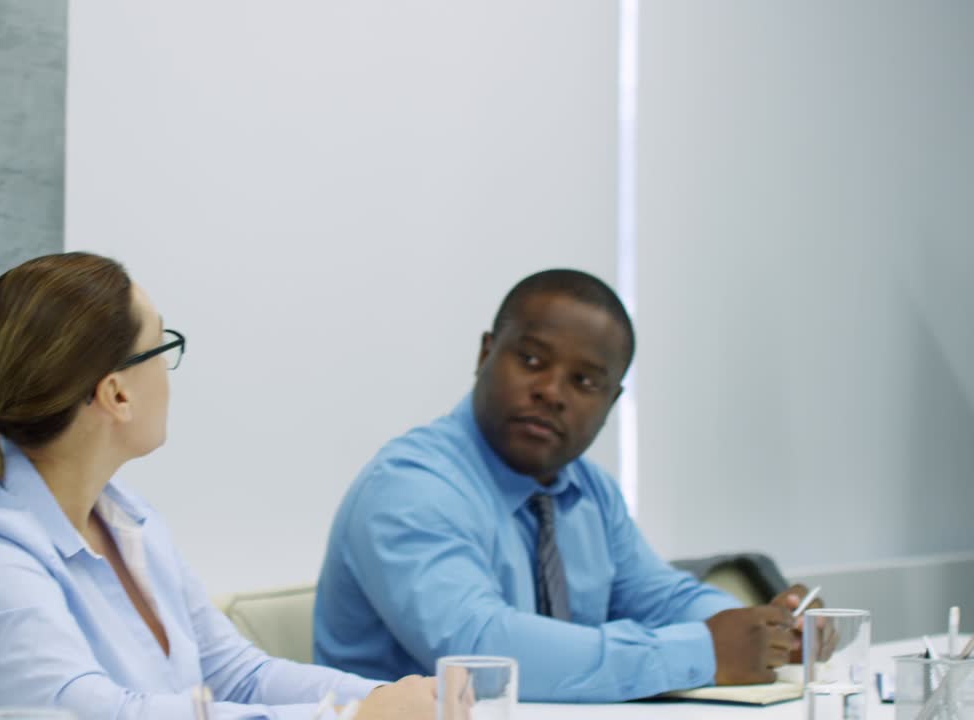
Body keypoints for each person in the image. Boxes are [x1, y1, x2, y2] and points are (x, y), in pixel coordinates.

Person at [0, 252, 435, 720]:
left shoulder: (127, 520)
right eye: (163, 349)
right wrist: (344, 717)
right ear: (116, 394)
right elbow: (85, 712)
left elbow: (234, 675)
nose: (170, 374)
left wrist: (384, 699)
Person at [313, 269, 820, 703]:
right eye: (532, 361)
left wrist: (767, 630)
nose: (551, 392)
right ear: (486, 353)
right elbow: (483, 650)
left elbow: (661, 598)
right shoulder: (410, 487)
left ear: (612, 401)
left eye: (584, 382)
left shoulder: (587, 489)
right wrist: (701, 652)